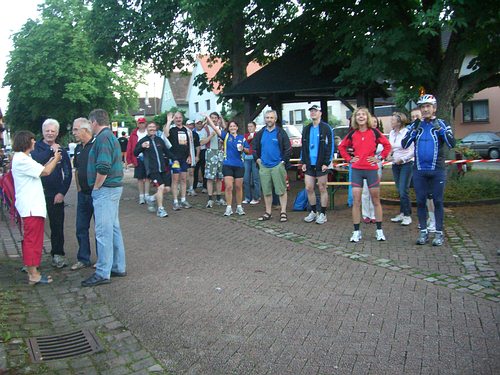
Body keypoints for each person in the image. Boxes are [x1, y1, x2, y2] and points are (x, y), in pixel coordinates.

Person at [402, 94, 455, 246]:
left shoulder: (442, 123)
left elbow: (452, 143)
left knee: (437, 201)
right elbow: (404, 144)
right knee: (420, 201)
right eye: (423, 107)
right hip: (419, 170)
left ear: (434, 108)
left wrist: (440, 129)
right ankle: (423, 232)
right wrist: (413, 131)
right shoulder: (416, 125)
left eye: (428, 106)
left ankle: (439, 233)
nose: (425, 109)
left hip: (437, 169)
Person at [82, 109, 126, 287]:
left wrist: (97, 186)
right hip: (113, 189)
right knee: (113, 229)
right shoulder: (109, 136)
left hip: (106, 190)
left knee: (103, 231)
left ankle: (102, 272)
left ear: (93, 122)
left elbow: (103, 166)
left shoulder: (102, 138)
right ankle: (117, 266)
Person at [12, 131, 62, 284]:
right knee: (32, 240)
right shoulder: (21, 159)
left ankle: (33, 270)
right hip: (31, 207)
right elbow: (45, 171)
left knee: (34, 239)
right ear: (27, 142)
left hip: (32, 206)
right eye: (33, 140)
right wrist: (57, 158)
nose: (35, 143)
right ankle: (33, 274)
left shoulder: (25, 158)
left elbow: (41, 168)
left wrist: (52, 159)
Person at [338, 107, 391, 242]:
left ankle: (379, 231)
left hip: (371, 169)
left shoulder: (374, 132)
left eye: (363, 115)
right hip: (357, 170)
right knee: (356, 201)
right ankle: (356, 231)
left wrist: (379, 158)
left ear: (367, 117)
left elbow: (387, 145)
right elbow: (341, 147)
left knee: (375, 200)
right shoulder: (352, 134)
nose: (361, 117)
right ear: (355, 118)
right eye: (358, 115)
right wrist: (349, 159)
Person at [31, 118, 72, 268]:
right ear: (42, 132)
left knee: (57, 226)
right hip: (37, 194)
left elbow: (67, 174)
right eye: (47, 131)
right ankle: (32, 260)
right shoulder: (35, 149)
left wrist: (62, 193)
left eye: (53, 131)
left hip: (55, 194)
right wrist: (50, 151)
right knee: (35, 227)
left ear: (57, 133)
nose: (49, 133)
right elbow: (36, 163)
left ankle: (58, 254)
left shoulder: (62, 150)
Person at [206, 115, 249, 216]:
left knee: (238, 187)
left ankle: (239, 207)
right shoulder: (225, 136)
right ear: (228, 128)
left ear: (237, 128)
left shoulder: (241, 138)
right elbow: (215, 128)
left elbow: (248, 151)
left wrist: (243, 148)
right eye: (231, 126)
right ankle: (229, 207)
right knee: (229, 187)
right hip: (228, 164)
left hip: (239, 165)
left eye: (234, 126)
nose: (232, 128)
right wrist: (208, 118)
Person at [253, 110, 291, 222]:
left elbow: (288, 148)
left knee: (281, 190)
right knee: (266, 191)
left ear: (275, 119)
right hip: (264, 166)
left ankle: (283, 212)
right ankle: (268, 212)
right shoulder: (260, 133)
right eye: (267, 117)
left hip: (277, 165)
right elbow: (254, 148)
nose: (269, 119)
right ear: (265, 119)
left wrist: (283, 162)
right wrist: (258, 160)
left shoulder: (280, 132)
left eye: (271, 117)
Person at [134, 122, 176, 217]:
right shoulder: (143, 140)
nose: (152, 128)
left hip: (163, 168)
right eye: (150, 127)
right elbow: (135, 153)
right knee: (160, 187)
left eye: (153, 127)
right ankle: (160, 209)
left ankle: (151, 198)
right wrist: (141, 147)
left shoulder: (159, 140)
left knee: (167, 188)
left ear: (156, 129)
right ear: (147, 128)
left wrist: (176, 159)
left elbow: (167, 152)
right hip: (152, 170)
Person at [301, 105, 334, 225]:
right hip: (309, 163)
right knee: (309, 187)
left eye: (315, 111)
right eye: (311, 111)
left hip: (321, 163)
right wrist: (303, 161)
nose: (313, 113)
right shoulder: (306, 128)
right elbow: (303, 146)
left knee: (322, 187)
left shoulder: (326, 128)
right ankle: (314, 211)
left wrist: (327, 162)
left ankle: (323, 213)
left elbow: (330, 146)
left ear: (320, 113)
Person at [70, 118, 96, 270]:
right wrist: (79, 188)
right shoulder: (78, 148)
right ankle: (83, 258)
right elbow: (77, 170)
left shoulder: (96, 145)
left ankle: (102, 260)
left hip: (96, 194)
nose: (73, 133)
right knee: (81, 227)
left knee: (99, 228)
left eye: (75, 130)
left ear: (85, 130)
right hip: (83, 194)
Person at [411, 107, 436, 232]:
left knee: (431, 196)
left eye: (417, 116)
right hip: (419, 167)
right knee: (423, 197)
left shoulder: (432, 126)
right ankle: (428, 219)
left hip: (432, 167)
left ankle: (434, 220)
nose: (415, 119)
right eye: (412, 118)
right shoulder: (415, 129)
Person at [389, 112, 414, 226]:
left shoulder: (407, 133)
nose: (391, 122)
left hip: (406, 164)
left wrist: (403, 159)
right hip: (395, 164)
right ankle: (402, 212)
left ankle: (407, 215)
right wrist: (389, 155)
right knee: (399, 189)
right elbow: (391, 147)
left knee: (404, 189)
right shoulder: (392, 133)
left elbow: (413, 150)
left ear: (399, 122)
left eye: (393, 120)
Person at [165, 112, 193, 210]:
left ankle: (183, 199)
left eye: (180, 117)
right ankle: (175, 201)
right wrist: (169, 121)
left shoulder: (187, 130)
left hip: (184, 159)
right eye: (176, 118)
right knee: (175, 180)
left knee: (184, 179)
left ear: (182, 118)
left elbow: (190, 144)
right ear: (174, 119)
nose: (178, 119)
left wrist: (190, 155)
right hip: (175, 159)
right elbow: (165, 134)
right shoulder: (172, 129)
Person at [125, 117, 150, 204]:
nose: (141, 124)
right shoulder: (134, 134)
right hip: (138, 158)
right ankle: (141, 196)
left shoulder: (149, 132)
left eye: (143, 123)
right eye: (140, 123)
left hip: (148, 158)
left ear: (145, 123)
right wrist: (129, 160)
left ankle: (146, 195)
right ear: (137, 124)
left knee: (147, 178)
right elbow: (130, 147)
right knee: (139, 178)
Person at [204, 112, 226, 208]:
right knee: (210, 177)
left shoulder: (221, 129)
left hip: (220, 153)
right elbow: (202, 142)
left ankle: (218, 197)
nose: (213, 119)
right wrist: (211, 136)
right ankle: (209, 199)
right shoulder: (206, 128)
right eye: (211, 118)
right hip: (210, 153)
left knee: (219, 177)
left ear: (218, 119)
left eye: (215, 118)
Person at [243, 121, 261, 205]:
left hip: (255, 158)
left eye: (251, 126)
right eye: (248, 126)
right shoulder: (245, 136)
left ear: (255, 127)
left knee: (256, 178)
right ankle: (247, 197)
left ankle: (256, 197)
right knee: (246, 179)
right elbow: (242, 145)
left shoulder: (258, 135)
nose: (249, 128)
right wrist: (248, 139)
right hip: (246, 158)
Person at [185, 120, 200, 196]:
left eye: (192, 125)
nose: (190, 126)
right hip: (184, 155)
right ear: (186, 125)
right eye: (189, 125)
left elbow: (198, 146)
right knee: (185, 173)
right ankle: (185, 188)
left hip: (193, 155)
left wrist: (197, 156)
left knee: (191, 172)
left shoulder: (195, 134)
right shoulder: (183, 134)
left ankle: (191, 188)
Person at [194, 118, 209, 192]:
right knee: (195, 169)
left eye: (200, 123)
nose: (199, 125)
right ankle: (194, 186)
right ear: (195, 124)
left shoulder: (205, 130)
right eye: (197, 123)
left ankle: (205, 187)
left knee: (204, 169)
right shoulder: (193, 132)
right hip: (196, 151)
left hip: (204, 151)